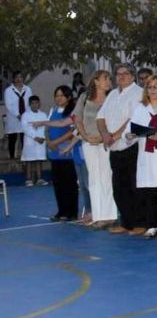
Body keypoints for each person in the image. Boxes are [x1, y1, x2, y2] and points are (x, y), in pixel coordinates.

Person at [97, 63, 146, 235]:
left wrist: (115, 135)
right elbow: (100, 117)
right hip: (114, 147)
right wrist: (104, 134)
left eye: (125, 74)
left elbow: (133, 119)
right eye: (118, 74)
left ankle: (140, 222)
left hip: (130, 145)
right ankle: (126, 222)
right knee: (119, 187)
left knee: (135, 186)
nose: (121, 77)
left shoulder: (139, 93)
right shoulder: (112, 94)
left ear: (133, 76)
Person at [126, 75, 157, 239]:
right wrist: (131, 135)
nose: (152, 90)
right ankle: (152, 224)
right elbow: (131, 128)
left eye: (156, 86)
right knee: (149, 190)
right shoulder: (140, 108)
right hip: (146, 154)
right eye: (149, 87)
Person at [74, 70, 117, 230]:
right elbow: (77, 118)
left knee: (107, 177)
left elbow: (117, 121)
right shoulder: (84, 98)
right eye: (105, 78)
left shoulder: (113, 98)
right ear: (96, 81)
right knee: (94, 178)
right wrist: (85, 136)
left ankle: (110, 215)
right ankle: (98, 216)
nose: (108, 81)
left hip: (106, 142)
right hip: (89, 142)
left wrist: (104, 137)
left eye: (109, 78)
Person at [46, 86, 79, 221]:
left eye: (61, 95)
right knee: (58, 184)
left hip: (67, 153)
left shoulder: (72, 112)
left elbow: (72, 132)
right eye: (56, 95)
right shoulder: (52, 111)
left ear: (69, 97)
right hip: (54, 154)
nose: (58, 98)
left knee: (69, 184)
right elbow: (47, 128)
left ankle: (71, 212)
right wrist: (49, 142)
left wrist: (57, 142)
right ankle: (61, 211)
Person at [4, 71, 32, 159]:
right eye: (16, 77)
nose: (19, 79)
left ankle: (24, 157)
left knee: (25, 139)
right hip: (13, 118)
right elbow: (9, 105)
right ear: (13, 79)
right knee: (12, 139)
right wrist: (18, 115)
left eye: (20, 77)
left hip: (25, 118)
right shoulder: (8, 91)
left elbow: (30, 103)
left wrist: (26, 115)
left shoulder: (28, 89)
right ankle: (12, 158)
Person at [20, 96, 48, 186]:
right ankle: (28, 179)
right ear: (29, 104)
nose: (35, 105)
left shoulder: (43, 115)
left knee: (39, 159)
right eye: (33, 103)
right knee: (29, 160)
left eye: (36, 103)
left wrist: (42, 138)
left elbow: (45, 127)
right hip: (30, 140)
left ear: (39, 103)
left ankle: (39, 178)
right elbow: (25, 128)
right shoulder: (25, 115)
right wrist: (35, 137)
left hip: (41, 140)